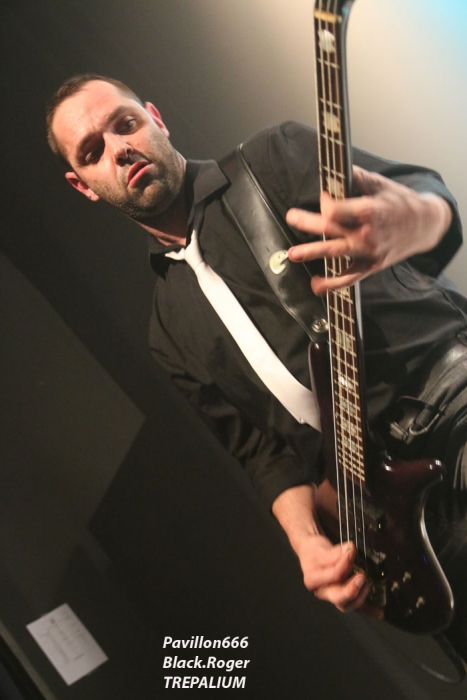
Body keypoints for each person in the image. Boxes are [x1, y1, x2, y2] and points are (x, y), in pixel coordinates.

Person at [46, 74, 467, 662]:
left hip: (449, 404)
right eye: (93, 151)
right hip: (387, 517)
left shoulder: (272, 158)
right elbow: (262, 453)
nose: (119, 149)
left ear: (155, 118)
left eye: (126, 124)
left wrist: (414, 218)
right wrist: (307, 545)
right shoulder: (167, 330)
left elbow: (425, 194)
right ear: (82, 184)